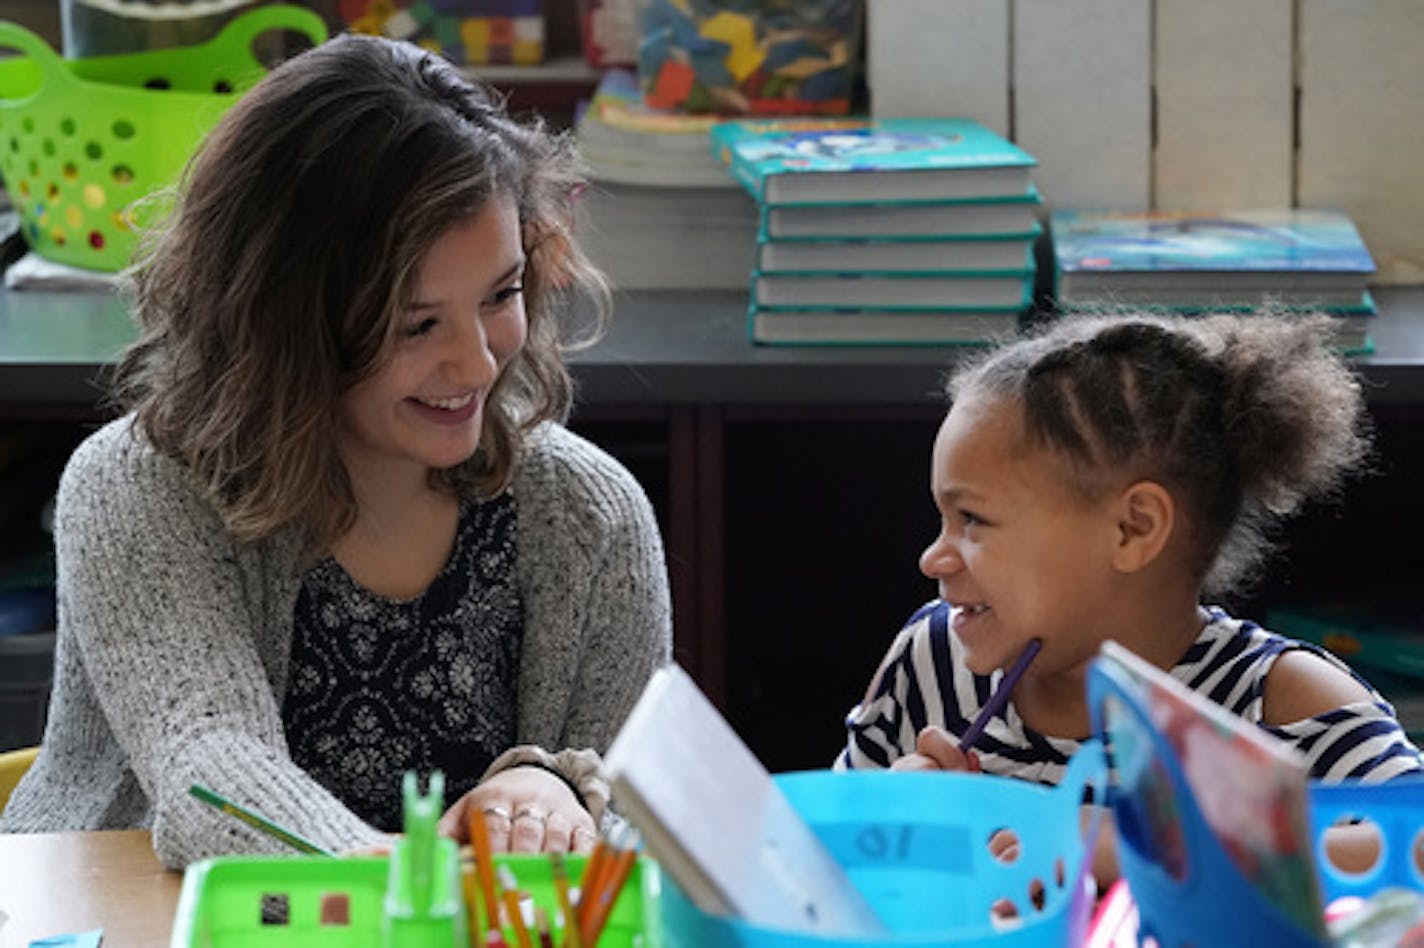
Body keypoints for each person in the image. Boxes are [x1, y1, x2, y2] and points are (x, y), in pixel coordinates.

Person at [0, 33, 672, 869]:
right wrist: (403, 886)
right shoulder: (138, 488)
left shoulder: (589, 516)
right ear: (281, 319)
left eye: (501, 294)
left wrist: (556, 792)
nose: (477, 361)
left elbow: (635, 813)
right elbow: (210, 772)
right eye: (415, 324)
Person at [836, 311, 1423, 874]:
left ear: (1133, 528)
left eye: (973, 520)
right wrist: (889, 826)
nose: (933, 557)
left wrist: (1143, 848)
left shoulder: (1277, 705)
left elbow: (1415, 848)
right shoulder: (934, 660)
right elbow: (821, 872)